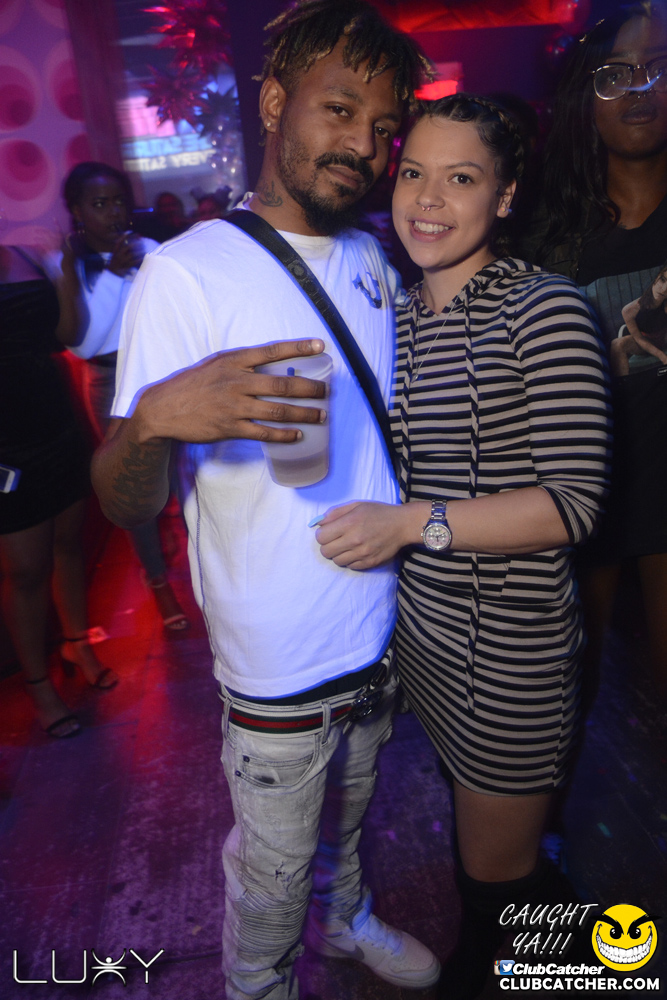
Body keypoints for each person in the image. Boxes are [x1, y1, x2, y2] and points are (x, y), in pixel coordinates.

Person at [92, 3, 438, 998]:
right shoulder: (185, 271)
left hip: (378, 621)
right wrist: (151, 422)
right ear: (276, 101)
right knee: (273, 871)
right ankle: (258, 981)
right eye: (340, 110)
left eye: (383, 127)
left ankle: (348, 918)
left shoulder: (373, 256)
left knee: (355, 812)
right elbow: (122, 503)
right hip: (276, 651)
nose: (363, 146)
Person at [313, 95, 611, 999]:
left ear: (505, 196)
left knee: (498, 879)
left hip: (511, 653)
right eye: (413, 173)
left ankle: (577, 975)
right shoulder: (395, 316)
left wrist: (410, 523)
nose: (427, 200)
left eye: (461, 178)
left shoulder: (542, 309)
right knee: (483, 855)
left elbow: (571, 504)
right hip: (427, 644)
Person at [529, 2, 667, 699]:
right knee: (564, 703)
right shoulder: (548, 236)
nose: (639, 88)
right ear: (585, 96)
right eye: (614, 74)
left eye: (657, 68)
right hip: (585, 498)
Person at [51, 162, 189, 634]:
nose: (112, 212)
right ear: (76, 210)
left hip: (159, 377)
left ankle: (192, 556)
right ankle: (158, 582)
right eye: (99, 203)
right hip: (109, 385)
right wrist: (112, 276)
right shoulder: (67, 264)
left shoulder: (149, 250)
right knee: (134, 490)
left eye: (118, 202)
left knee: (178, 479)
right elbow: (84, 345)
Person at [0, 245, 117, 739]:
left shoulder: (23, 256)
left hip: (55, 421)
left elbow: (67, 336)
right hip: (6, 447)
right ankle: (38, 685)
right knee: (27, 571)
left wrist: (66, 272)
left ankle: (78, 644)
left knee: (69, 546)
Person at [614, 264, 667, 373]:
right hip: (645, 343)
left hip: (664, 338)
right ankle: (624, 381)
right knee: (617, 344)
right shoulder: (630, 310)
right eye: (662, 280)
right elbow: (639, 339)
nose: (664, 289)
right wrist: (661, 356)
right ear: (655, 278)